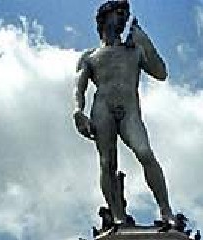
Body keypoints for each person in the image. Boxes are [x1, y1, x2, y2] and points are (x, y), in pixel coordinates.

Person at [73, 0, 175, 226]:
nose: (123, 17)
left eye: (125, 14)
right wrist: (78, 111)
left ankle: (166, 210)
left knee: (145, 152)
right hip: (102, 109)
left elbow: (161, 73)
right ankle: (117, 214)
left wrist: (143, 39)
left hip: (129, 109)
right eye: (118, 13)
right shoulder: (90, 56)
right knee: (107, 163)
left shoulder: (134, 50)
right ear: (104, 18)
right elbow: (79, 87)